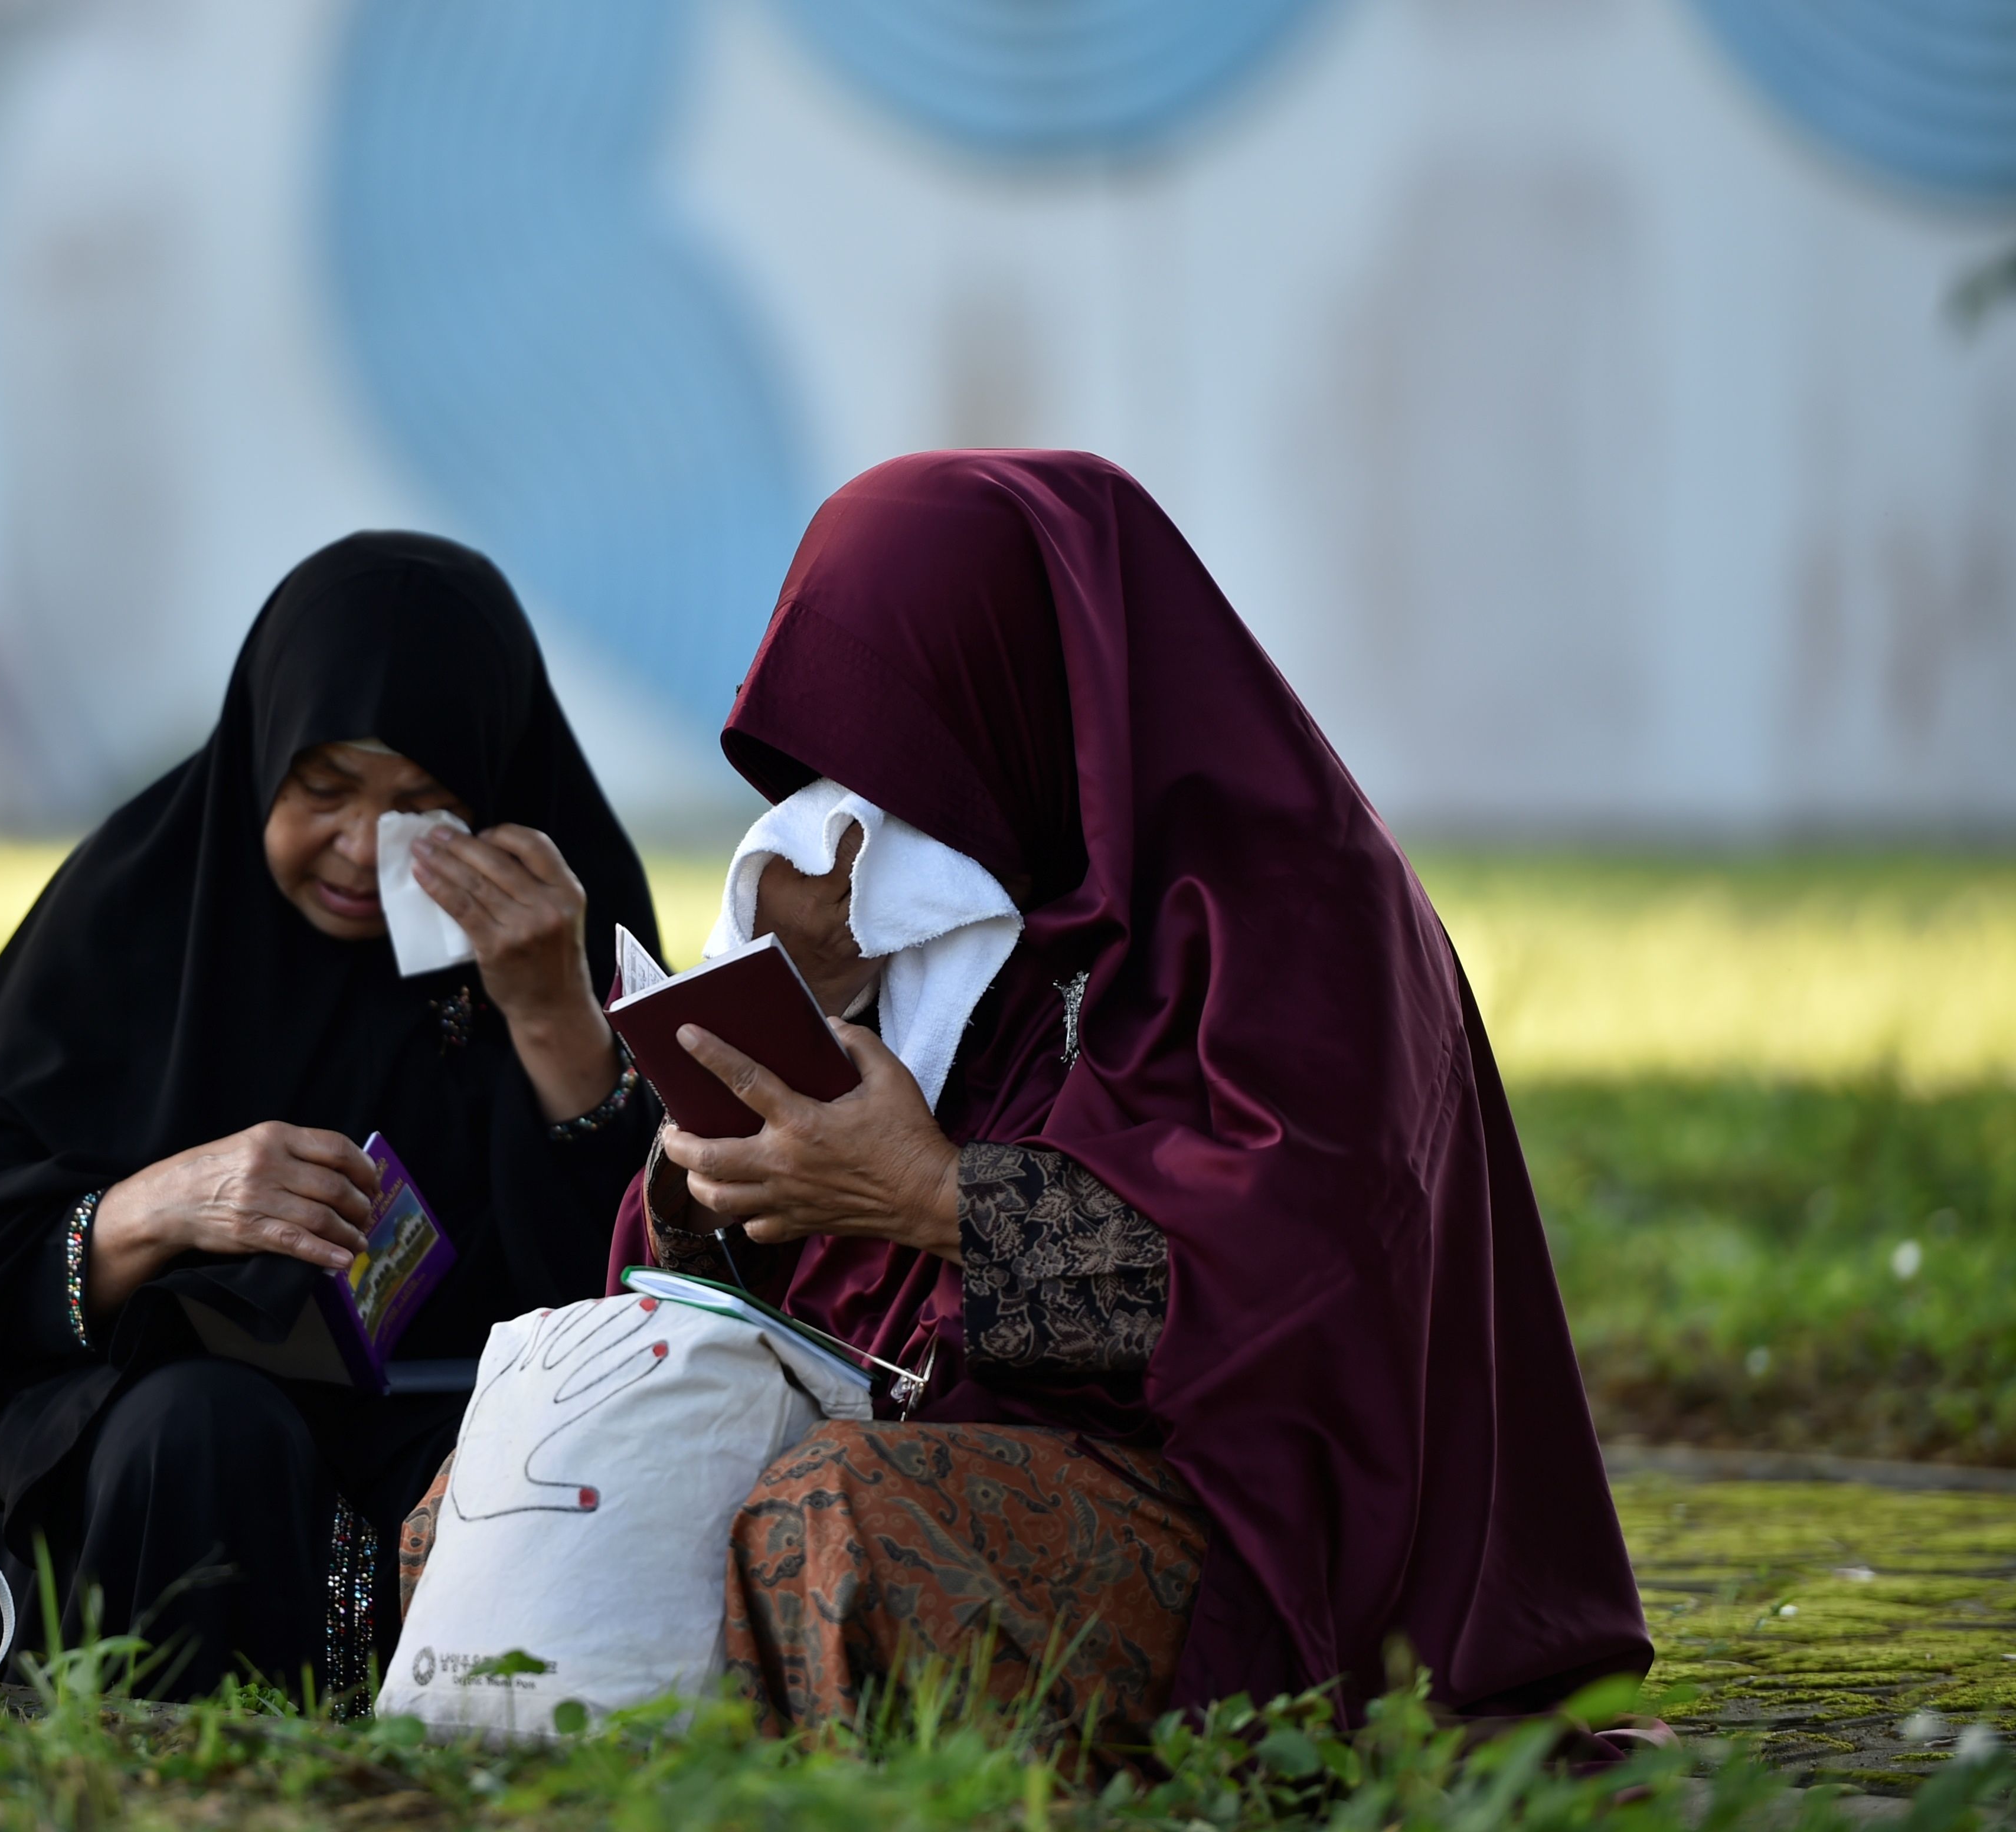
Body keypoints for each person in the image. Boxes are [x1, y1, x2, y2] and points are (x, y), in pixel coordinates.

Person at [602, 450, 1649, 1740]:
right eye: (824, 772)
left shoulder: (1288, 910)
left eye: (894, 754)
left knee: (834, 1517)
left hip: (1255, 1534)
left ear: (1028, 699)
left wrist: (937, 1195)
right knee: (564, 1492)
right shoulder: (909, 926)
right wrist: (728, 1117)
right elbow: (757, 1312)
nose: (852, 823)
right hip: (915, 1439)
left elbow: (1297, 1302)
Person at [0, 531, 659, 1697]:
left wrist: (553, 1015)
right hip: (158, 1431)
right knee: (201, 1428)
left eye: (424, 805)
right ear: (261, 754)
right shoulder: (136, 919)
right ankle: (173, 1746)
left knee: (524, 1470)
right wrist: (149, 1211)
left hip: (460, 1421)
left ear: (496, 792)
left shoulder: (559, 931)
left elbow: (646, 1292)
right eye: (323, 787)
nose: (358, 848)